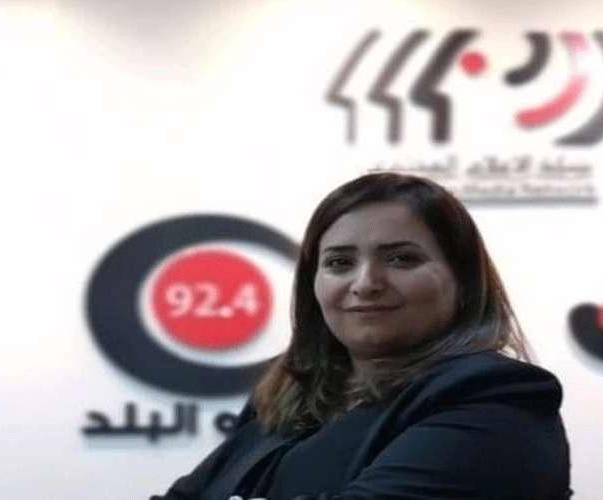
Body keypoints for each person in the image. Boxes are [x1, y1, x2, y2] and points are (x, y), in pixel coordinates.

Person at [152, 173, 571, 499]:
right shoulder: (287, 395)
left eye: (401, 259)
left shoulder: (496, 397)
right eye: (339, 263)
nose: (366, 283)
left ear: (463, 280)